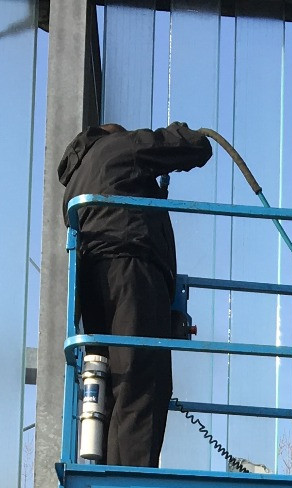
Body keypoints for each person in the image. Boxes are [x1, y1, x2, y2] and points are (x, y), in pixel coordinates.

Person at [58, 121, 214, 467]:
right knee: (142, 376)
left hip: (96, 281)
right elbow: (182, 146)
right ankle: (130, 479)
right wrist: (190, 135)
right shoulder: (117, 149)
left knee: (113, 378)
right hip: (131, 271)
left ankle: (109, 470)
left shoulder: (77, 182)